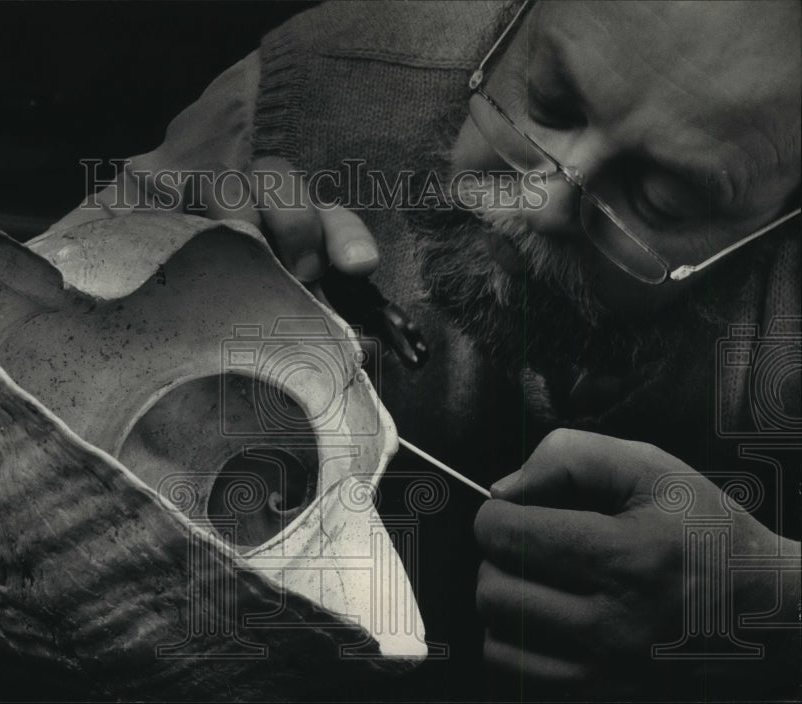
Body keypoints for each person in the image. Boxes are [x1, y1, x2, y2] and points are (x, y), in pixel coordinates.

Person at [52, 0, 801, 698]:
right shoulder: (308, 92)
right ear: (511, 22)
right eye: (546, 102)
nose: (539, 203)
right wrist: (143, 314)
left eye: (662, 198)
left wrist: (773, 601)